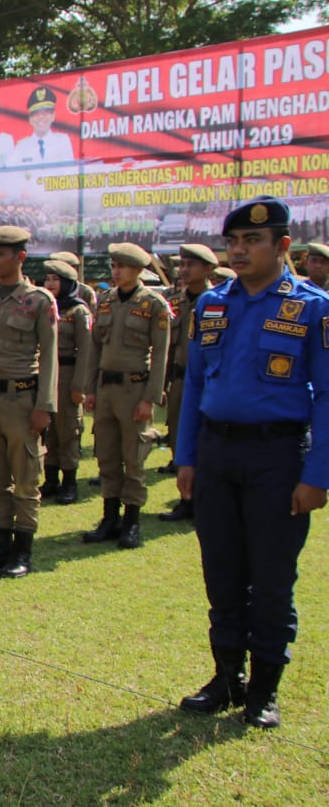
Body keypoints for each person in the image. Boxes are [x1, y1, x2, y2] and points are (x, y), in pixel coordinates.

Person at [175, 196, 328, 729]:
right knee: (221, 572)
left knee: (270, 579)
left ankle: (264, 689)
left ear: (282, 246)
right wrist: (187, 456)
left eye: (252, 242)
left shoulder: (312, 306)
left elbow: (328, 396)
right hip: (216, 454)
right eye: (233, 243)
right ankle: (226, 677)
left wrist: (318, 475)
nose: (238, 252)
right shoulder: (212, 304)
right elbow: (194, 384)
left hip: (278, 457)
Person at [0, 226, 58, 578]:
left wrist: (44, 406)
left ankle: (23, 550)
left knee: (26, 479)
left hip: (22, 398)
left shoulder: (38, 301)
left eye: (0, 254)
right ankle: (0, 545)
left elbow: (49, 357)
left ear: (20, 257)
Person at [81, 243, 171, 549]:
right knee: (106, 455)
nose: (116, 272)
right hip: (106, 388)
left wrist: (151, 398)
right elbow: (94, 348)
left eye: (123, 267)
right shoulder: (105, 301)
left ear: (138, 270)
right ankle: (110, 518)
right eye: (114, 266)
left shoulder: (153, 304)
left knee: (133, 457)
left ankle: (131, 521)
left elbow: (160, 354)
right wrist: (90, 388)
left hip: (135, 389)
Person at [159, 244, 219, 521]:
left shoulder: (218, 301)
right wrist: (163, 381)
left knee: (207, 441)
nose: (183, 270)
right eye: (181, 265)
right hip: (181, 379)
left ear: (208, 269)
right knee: (178, 436)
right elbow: (168, 345)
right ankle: (186, 499)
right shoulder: (175, 301)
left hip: (209, 383)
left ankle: (205, 499)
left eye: (190, 265)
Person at [38, 260, 92, 505]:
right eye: (47, 279)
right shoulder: (46, 307)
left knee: (68, 429)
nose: (50, 284)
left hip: (68, 374)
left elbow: (86, 351)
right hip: (46, 374)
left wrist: (79, 386)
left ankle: (69, 482)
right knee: (49, 430)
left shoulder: (78, 311)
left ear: (68, 283)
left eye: (55, 280)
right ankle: (51, 479)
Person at [12, 86, 75, 165]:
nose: (41, 117)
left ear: (53, 116)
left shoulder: (62, 141)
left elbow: (70, 172)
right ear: (30, 119)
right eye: (36, 113)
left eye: (45, 112)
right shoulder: (21, 146)